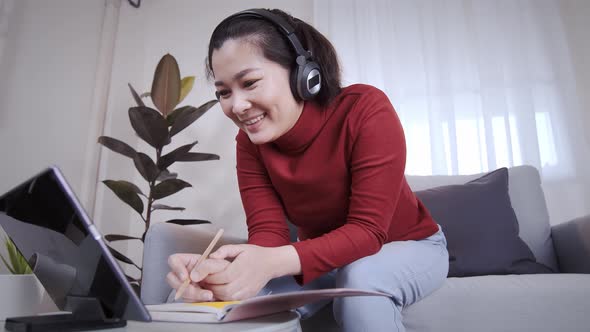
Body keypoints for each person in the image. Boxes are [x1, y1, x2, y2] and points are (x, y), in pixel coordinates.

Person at [166, 8, 449, 331]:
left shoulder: (366, 109)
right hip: (324, 256)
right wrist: (221, 271)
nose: (237, 105)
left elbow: (368, 232)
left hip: (409, 247)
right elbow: (268, 235)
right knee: (236, 302)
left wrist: (270, 263)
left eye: (250, 82)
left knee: (363, 275)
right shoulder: (249, 144)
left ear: (304, 75)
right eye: (224, 92)